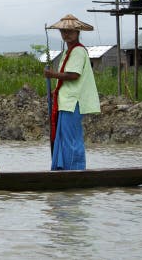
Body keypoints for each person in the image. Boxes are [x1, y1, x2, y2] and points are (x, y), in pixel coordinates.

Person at [44, 14, 100, 170]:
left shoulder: (78, 51)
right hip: (65, 101)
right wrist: (55, 89)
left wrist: (52, 75)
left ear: (77, 32)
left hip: (73, 101)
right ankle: (64, 168)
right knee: (63, 137)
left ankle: (76, 169)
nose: (66, 34)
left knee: (71, 138)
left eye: (69, 31)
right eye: (63, 31)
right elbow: (66, 78)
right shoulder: (67, 52)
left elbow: (74, 75)